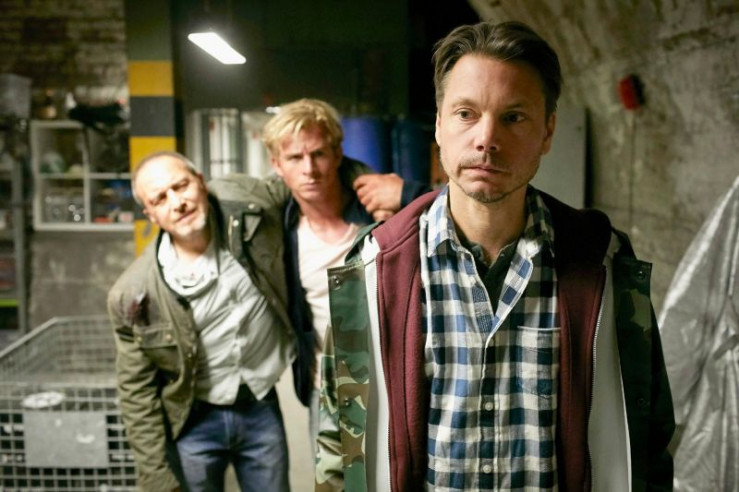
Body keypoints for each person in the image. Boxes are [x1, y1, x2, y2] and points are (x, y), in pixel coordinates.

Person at [316, 21, 675, 491]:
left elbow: (648, 437)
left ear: (547, 132)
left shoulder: (604, 266)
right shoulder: (374, 270)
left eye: (514, 117)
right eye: (466, 113)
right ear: (439, 124)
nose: (487, 138)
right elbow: (339, 443)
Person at [108, 151, 295, 491]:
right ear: (150, 214)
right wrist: (156, 476)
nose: (177, 203)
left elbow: (307, 172)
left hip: (260, 403)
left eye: (181, 186)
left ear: (201, 182)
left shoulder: (248, 211)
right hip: (193, 420)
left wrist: (385, 188)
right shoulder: (134, 292)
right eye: (160, 199)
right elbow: (136, 391)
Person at [261, 98, 428, 451]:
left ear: (338, 154)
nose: (309, 169)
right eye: (295, 158)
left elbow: (464, 214)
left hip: (392, 386)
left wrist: (410, 194)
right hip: (327, 392)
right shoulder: (281, 230)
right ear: (277, 165)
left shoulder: (381, 213)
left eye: (318, 154)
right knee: (333, 479)